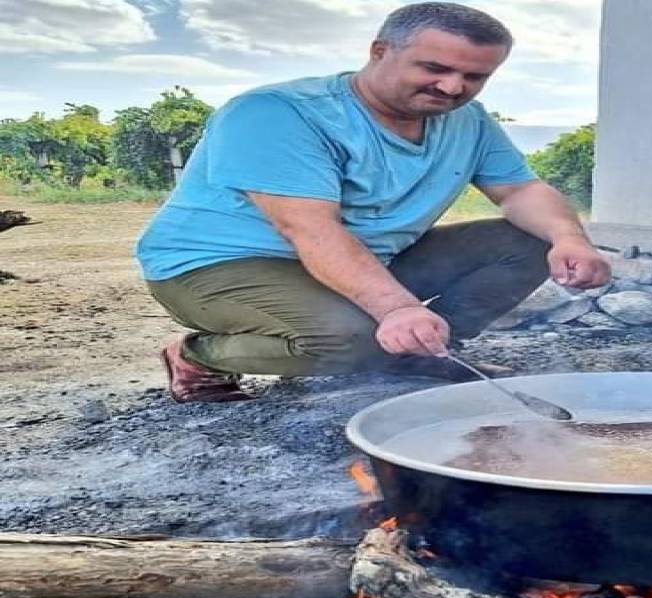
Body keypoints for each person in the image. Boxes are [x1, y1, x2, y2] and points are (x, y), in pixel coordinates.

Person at [134, 2, 610, 403]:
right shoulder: (278, 113)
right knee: (350, 341)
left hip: (363, 258)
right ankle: (196, 353)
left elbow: (521, 190)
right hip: (218, 265)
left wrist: (569, 238)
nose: (452, 88)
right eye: (435, 68)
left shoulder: (469, 122)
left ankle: (427, 353)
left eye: (474, 76)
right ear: (380, 51)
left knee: (529, 241)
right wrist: (396, 309)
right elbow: (311, 230)